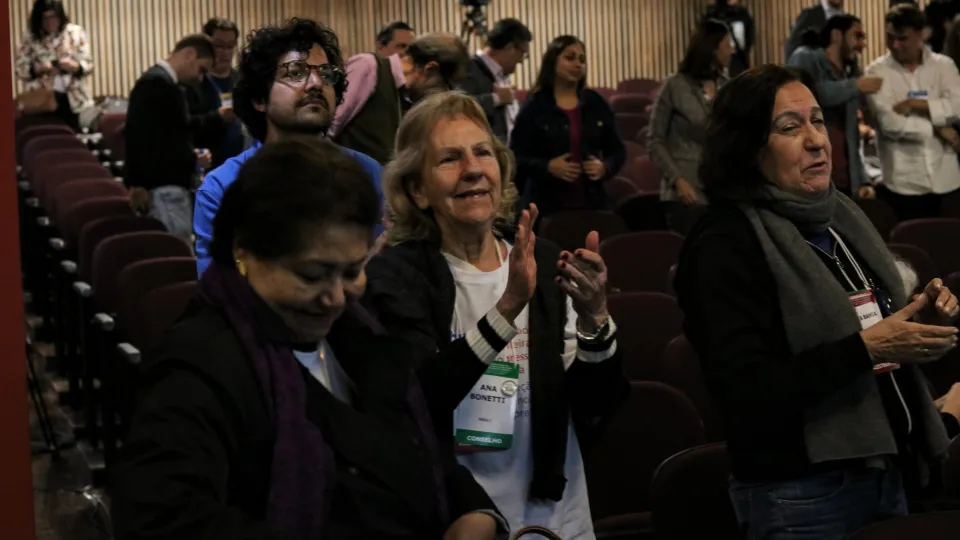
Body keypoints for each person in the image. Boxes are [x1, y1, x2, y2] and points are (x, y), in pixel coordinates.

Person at [111, 138, 505, 540]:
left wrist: (473, 510)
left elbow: (413, 447)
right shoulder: (196, 368)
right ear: (244, 253)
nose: (335, 298)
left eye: (352, 271)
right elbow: (164, 519)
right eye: (312, 276)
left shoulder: (359, 334)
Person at [675, 64, 960, 540]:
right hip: (803, 495)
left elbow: (866, 326)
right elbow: (744, 391)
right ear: (746, 147)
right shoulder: (724, 243)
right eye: (790, 127)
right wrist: (869, 348)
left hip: (891, 471)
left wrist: (915, 322)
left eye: (818, 121)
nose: (816, 140)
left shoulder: (839, 217)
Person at [363, 91, 628, 538]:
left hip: (554, 514)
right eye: (449, 158)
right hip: (458, 519)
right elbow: (415, 400)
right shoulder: (395, 278)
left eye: (482, 152)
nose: (472, 169)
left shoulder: (542, 262)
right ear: (417, 189)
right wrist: (506, 310)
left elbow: (596, 404)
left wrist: (595, 319)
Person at [194, 18, 384, 276]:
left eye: (326, 74)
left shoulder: (367, 172)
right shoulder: (224, 185)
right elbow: (218, 288)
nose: (316, 83)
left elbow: (384, 270)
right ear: (260, 98)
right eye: (296, 72)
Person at [509, 36, 625, 219]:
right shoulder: (534, 106)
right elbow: (515, 158)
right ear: (553, 62)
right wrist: (547, 166)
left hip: (592, 204)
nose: (578, 64)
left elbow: (617, 151)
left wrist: (604, 166)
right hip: (545, 208)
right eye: (570, 58)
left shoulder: (595, 103)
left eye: (582, 59)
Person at [865, 3, 960, 221]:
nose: (895, 45)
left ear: (921, 34)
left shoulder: (944, 66)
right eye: (890, 37)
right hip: (903, 183)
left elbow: (958, 107)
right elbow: (891, 124)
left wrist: (915, 105)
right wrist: (938, 128)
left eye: (902, 38)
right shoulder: (876, 72)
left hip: (947, 178)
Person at [125, 34, 215, 246]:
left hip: (167, 188)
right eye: (201, 69)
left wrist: (191, 157)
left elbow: (165, 137)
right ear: (189, 54)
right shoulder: (156, 83)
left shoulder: (161, 83)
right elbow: (137, 135)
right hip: (165, 190)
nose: (200, 78)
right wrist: (136, 183)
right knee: (178, 258)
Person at [330, 33, 471, 164]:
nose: (445, 94)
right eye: (447, 85)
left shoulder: (410, 98)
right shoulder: (368, 66)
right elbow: (330, 126)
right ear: (430, 69)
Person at [648, 19, 732, 229]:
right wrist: (678, 180)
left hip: (720, 191)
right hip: (683, 193)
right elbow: (655, 141)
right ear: (713, 48)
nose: (732, 50)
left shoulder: (729, 87)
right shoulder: (675, 85)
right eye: (727, 44)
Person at [787, 14, 883, 200]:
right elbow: (806, 94)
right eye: (857, 36)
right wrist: (856, 86)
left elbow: (853, 136)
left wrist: (861, 180)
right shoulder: (805, 56)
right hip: (811, 177)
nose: (862, 44)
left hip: (842, 181)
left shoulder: (849, 74)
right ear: (837, 35)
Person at [15, 0, 94, 131]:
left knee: (77, 137)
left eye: (53, 17)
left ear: (60, 16)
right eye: (45, 18)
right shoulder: (31, 38)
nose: (50, 21)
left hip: (75, 99)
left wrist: (74, 66)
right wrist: (40, 68)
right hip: (44, 101)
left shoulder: (75, 32)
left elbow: (89, 65)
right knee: (49, 138)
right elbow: (20, 70)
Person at [181, 17, 243, 170]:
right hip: (207, 168)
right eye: (219, 46)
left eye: (230, 46)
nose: (225, 53)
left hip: (241, 167)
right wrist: (219, 117)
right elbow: (183, 128)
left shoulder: (242, 81)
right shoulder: (192, 83)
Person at [460, 18, 533, 143]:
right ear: (510, 48)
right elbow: (457, 108)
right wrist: (496, 98)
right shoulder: (467, 68)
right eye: (522, 54)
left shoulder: (501, 72)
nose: (521, 61)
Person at [704, 0, 755, 77]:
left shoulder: (742, 14)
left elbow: (749, 39)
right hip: (719, 64)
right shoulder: (713, 15)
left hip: (738, 61)